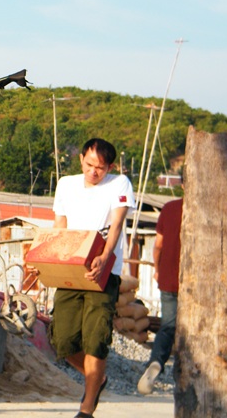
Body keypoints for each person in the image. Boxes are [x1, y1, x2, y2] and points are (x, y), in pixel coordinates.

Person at [51, 138, 135, 418]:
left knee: (96, 339)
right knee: (61, 340)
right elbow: (60, 227)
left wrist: (104, 256)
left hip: (103, 272)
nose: (93, 172)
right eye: (89, 165)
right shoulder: (66, 184)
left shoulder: (119, 183)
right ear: (81, 160)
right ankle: (97, 379)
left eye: (100, 167)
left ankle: (86, 410)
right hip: (71, 271)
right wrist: (53, 261)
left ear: (109, 166)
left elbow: (117, 224)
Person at [137, 195, 182, 395]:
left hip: (169, 278)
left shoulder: (170, 208)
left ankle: (156, 361)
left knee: (168, 326)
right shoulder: (207, 206)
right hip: (197, 282)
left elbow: (158, 245)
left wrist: (157, 268)